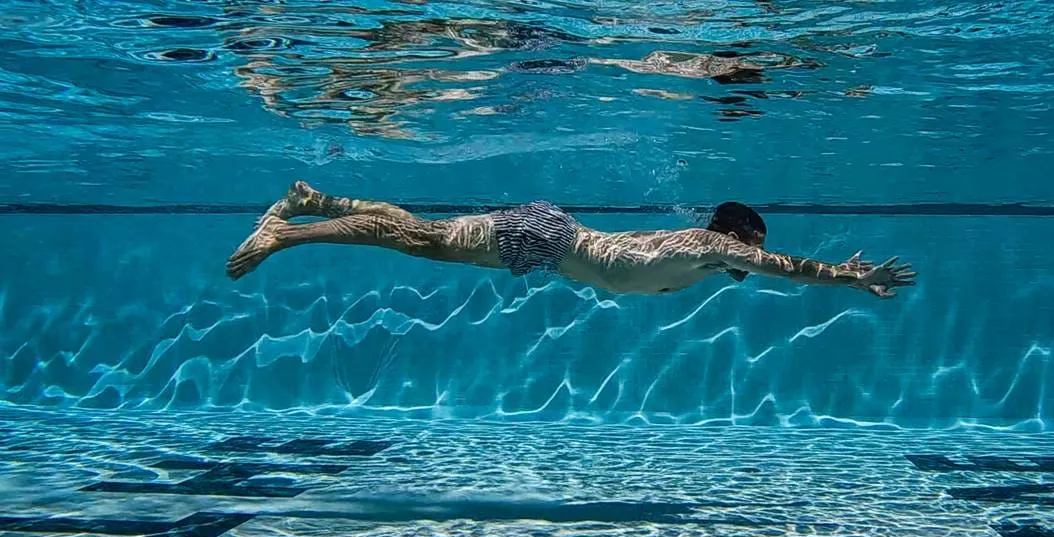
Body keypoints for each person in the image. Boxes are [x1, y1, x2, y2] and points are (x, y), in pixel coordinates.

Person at [226, 181, 917, 298]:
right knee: (417, 240)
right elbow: (789, 270)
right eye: (754, 245)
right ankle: (286, 232)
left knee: (419, 236)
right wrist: (848, 276)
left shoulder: (701, 258)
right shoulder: (716, 247)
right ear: (737, 237)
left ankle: (316, 200)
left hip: (550, 244)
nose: (753, 259)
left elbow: (779, 268)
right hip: (550, 239)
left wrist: (842, 275)